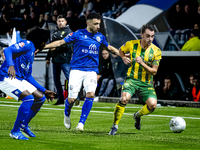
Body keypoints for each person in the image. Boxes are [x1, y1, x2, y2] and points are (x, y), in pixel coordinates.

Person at [44, 13, 120, 132]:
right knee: (72, 99)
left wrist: (122, 55)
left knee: (90, 94)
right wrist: (42, 47)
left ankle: (81, 123)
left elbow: (109, 48)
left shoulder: (100, 37)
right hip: (77, 70)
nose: (98, 26)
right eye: (95, 24)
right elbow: (59, 43)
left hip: (92, 70)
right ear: (88, 23)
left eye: (99, 24)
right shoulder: (78, 34)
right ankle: (66, 114)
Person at [0, 26, 55, 140]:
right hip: (6, 77)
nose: (45, 44)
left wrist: (44, 90)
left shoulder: (31, 53)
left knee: (40, 98)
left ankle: (24, 125)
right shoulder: (27, 44)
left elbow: (28, 76)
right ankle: (15, 131)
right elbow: (7, 50)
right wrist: (11, 65)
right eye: (45, 41)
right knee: (29, 98)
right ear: (41, 39)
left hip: (19, 79)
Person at [109, 24, 162, 135]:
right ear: (141, 35)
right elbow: (120, 50)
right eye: (148, 36)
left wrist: (142, 63)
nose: (150, 39)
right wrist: (123, 57)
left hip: (146, 83)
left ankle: (137, 115)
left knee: (152, 105)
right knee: (124, 99)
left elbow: (154, 71)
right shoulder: (131, 44)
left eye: (152, 36)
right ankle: (114, 126)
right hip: (132, 79)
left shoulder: (156, 51)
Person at [46, 14, 72, 105]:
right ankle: (61, 99)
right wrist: (48, 57)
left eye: (62, 21)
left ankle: (73, 98)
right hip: (55, 60)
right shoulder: (55, 32)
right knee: (56, 80)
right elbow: (51, 45)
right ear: (57, 22)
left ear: (65, 22)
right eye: (59, 21)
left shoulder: (68, 32)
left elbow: (68, 45)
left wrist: (56, 48)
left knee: (70, 79)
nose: (60, 23)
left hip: (65, 59)